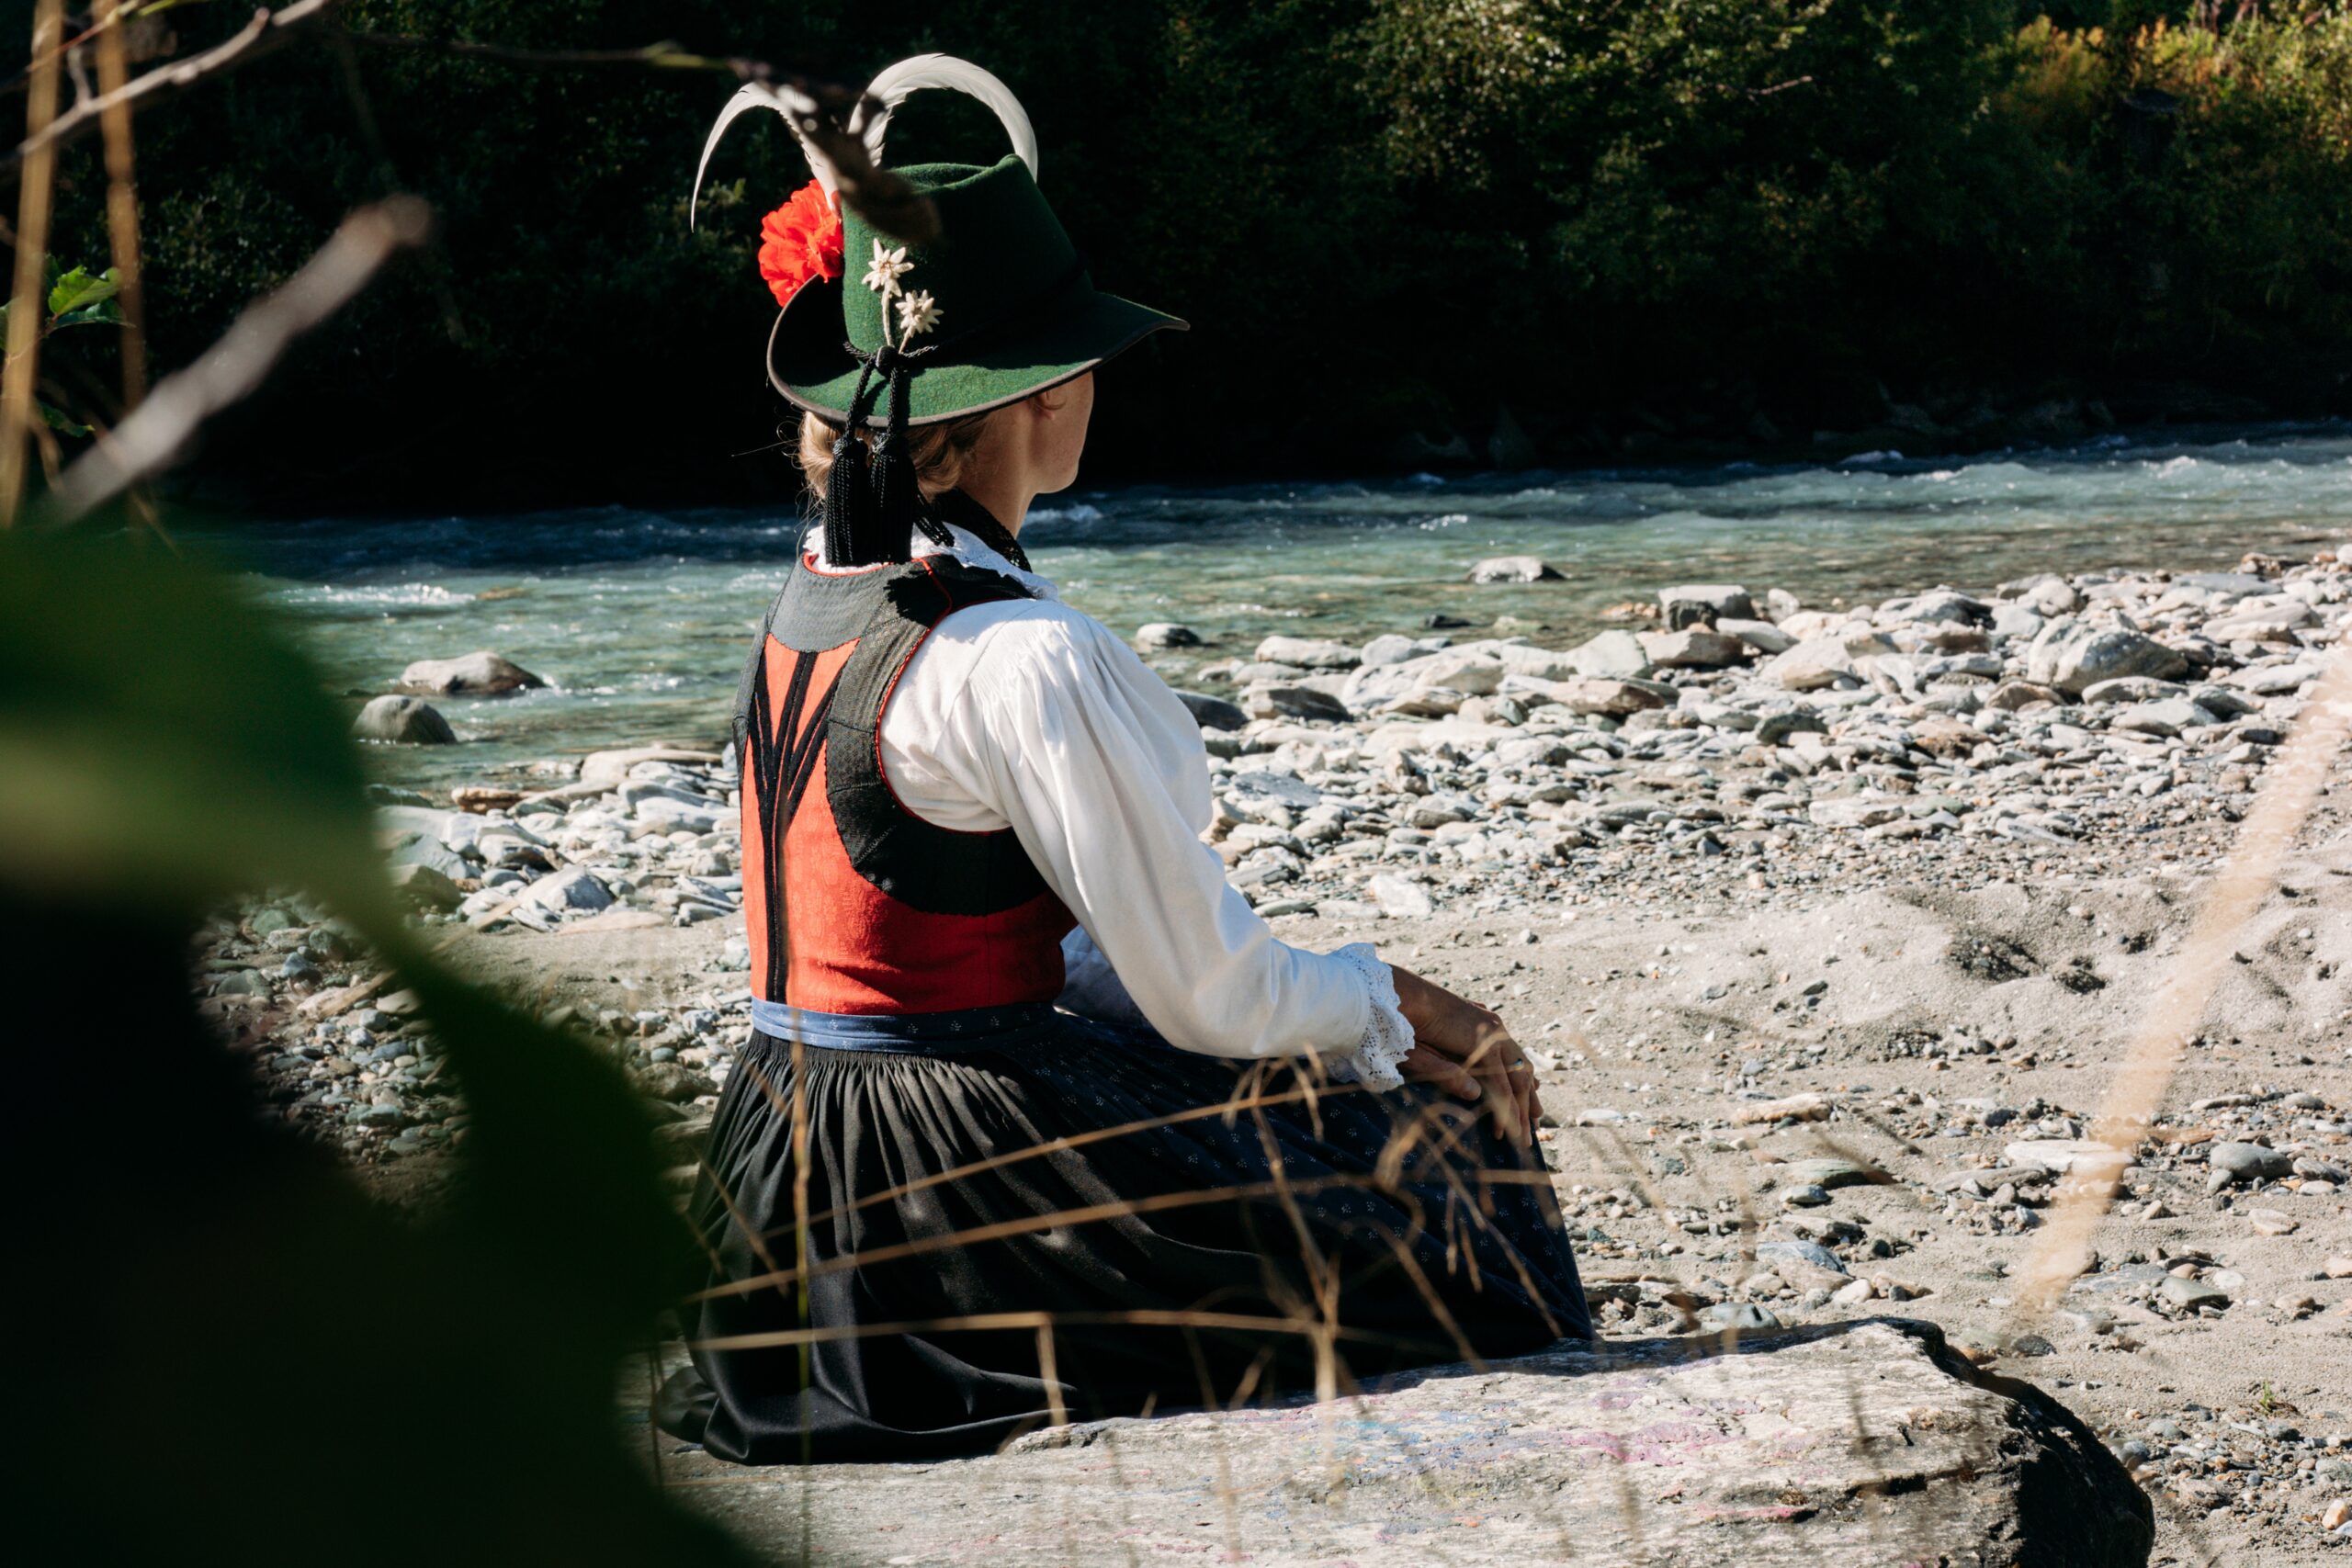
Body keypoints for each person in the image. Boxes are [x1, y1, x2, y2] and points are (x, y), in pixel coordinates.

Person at [661, 55, 1589, 1465]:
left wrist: (1343, 1029)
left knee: (1331, 1085)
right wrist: (1392, 1010)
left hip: (783, 1180)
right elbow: (1208, 995)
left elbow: (1019, 935)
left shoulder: (815, 596)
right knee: (1451, 1174)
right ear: (1034, 399)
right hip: (939, 1199)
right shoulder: (1021, 654)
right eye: (1085, 355)